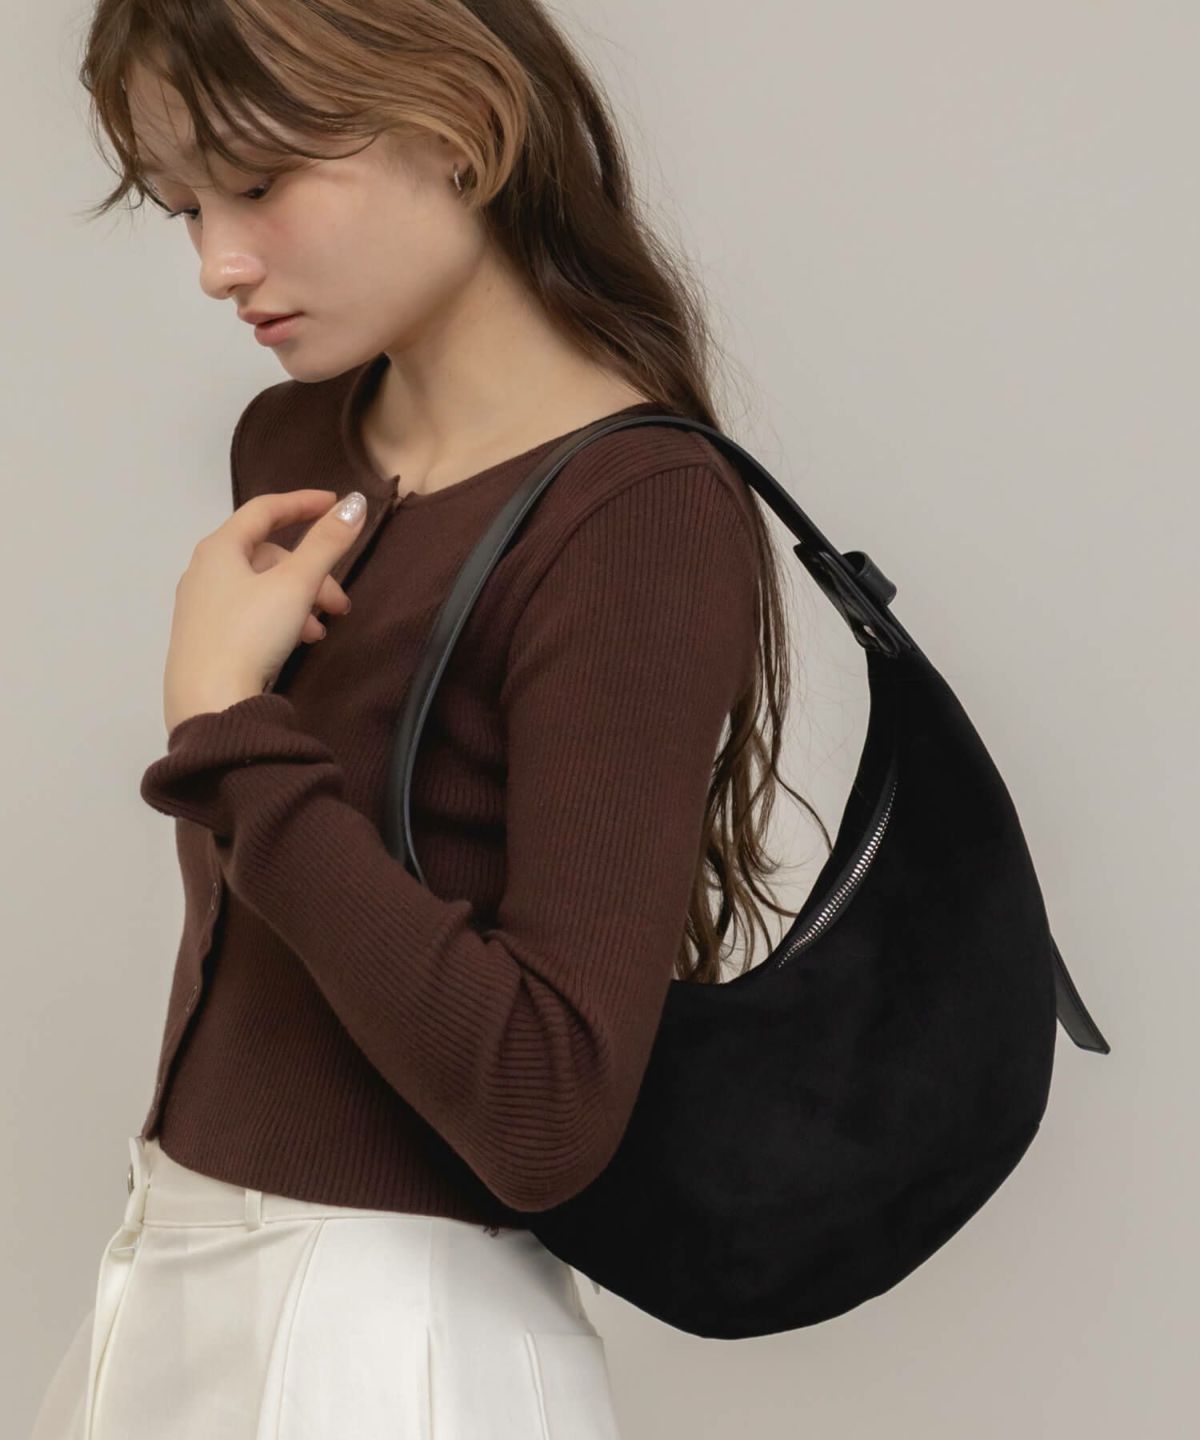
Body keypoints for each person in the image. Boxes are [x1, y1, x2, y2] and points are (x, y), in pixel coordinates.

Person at [31, 1, 819, 1436]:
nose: (217, 264)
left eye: (258, 181)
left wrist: (226, 731)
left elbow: (547, 1111)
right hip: (168, 1272)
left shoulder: (636, 514)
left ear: (457, 126)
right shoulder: (296, 440)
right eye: (185, 204)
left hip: (384, 1346)